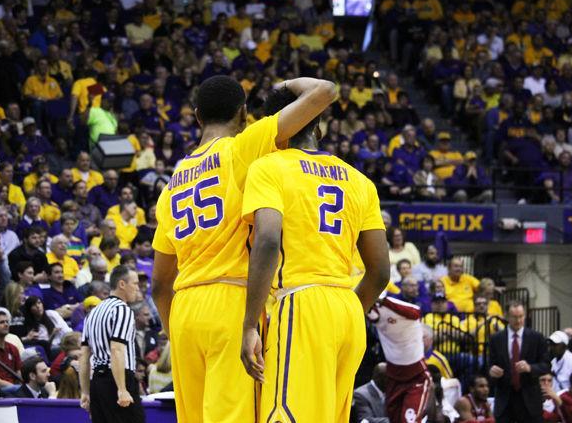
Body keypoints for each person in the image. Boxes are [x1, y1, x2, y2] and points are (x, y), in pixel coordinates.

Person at [151, 75, 337, 423]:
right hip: (231, 302)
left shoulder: (170, 185)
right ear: (244, 113)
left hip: (184, 310)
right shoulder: (241, 148)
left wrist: (173, 330)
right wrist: (281, 86)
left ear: (196, 117)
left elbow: (160, 283)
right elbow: (324, 92)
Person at [239, 86, 389, 422]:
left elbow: (266, 241)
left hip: (301, 302)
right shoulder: (360, 181)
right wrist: (346, 308)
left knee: (284, 415)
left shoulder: (269, 166)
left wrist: (250, 325)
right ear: (318, 126)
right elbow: (380, 272)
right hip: (349, 311)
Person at [79, 265, 144, 423]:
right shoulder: (122, 310)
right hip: (117, 379)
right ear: (122, 284)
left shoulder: (93, 313)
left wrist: (85, 392)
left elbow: (84, 356)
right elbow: (116, 350)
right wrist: (122, 389)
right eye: (135, 284)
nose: (138, 288)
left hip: (97, 383)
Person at [368, 297, 432, 423]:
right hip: (393, 375)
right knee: (394, 420)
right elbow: (372, 315)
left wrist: (384, 301)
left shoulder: (390, 303)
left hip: (416, 375)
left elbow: (416, 312)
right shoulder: (373, 310)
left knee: (409, 421)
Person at [489, 301, 550, 422]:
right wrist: (492, 371)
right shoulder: (496, 338)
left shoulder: (536, 337)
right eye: (514, 317)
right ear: (506, 316)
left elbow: (546, 365)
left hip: (529, 397)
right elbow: (489, 365)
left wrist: (530, 368)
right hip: (505, 397)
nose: (518, 320)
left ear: (525, 315)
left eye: (521, 316)